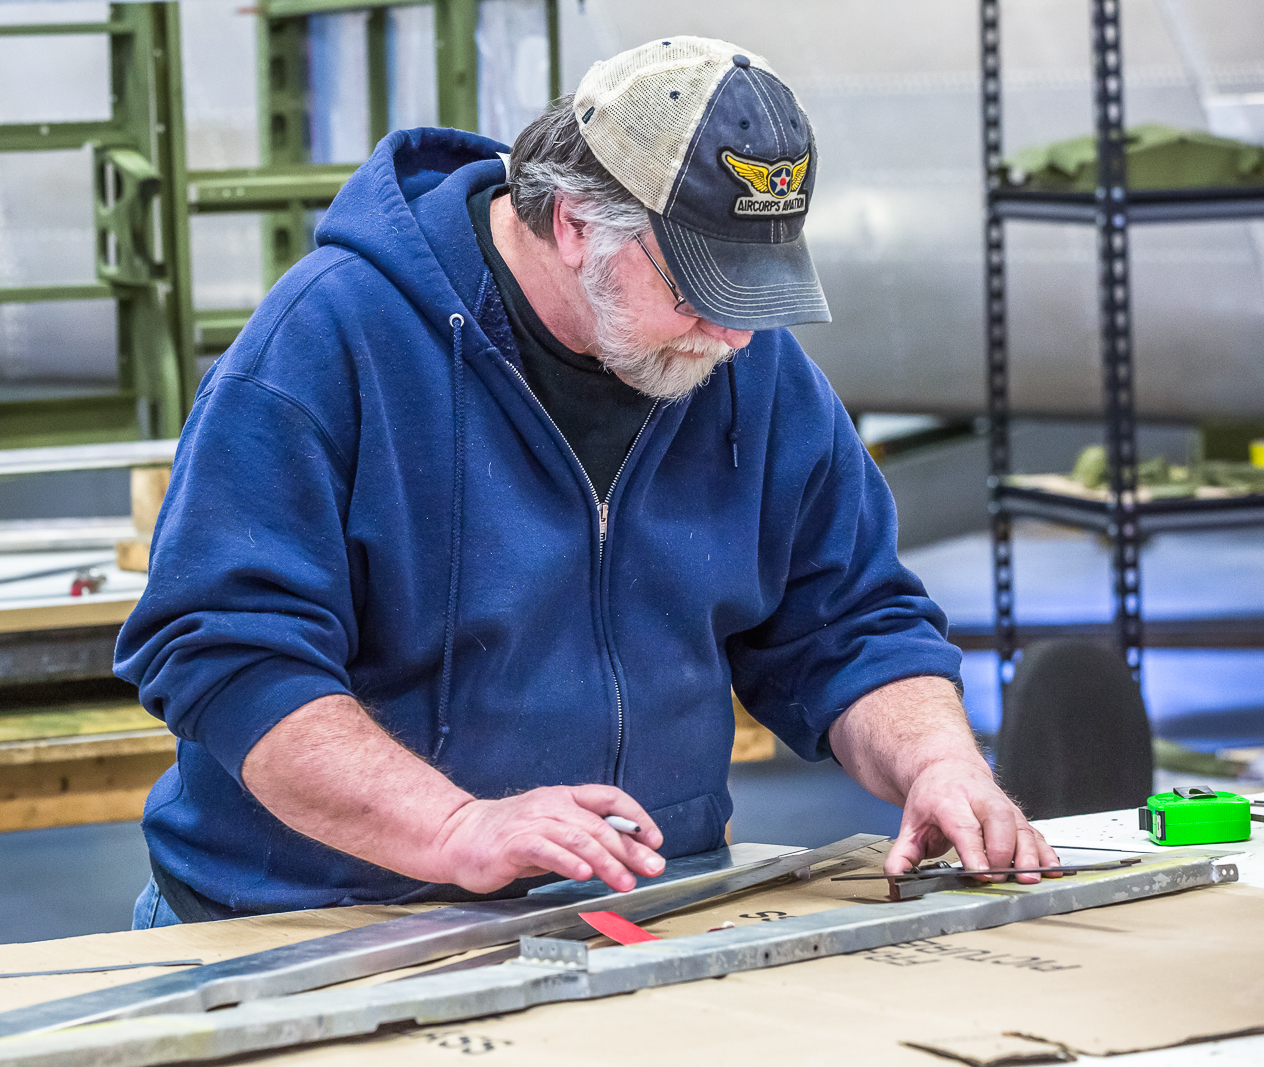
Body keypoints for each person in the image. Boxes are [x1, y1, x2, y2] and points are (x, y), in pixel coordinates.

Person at [117, 37, 1056, 928]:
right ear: (572, 222)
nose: (730, 335)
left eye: (753, 293)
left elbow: (850, 619)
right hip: (314, 925)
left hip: (628, 917)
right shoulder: (330, 340)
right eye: (697, 286)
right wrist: (454, 829)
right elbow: (234, 657)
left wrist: (937, 758)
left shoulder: (744, 367)